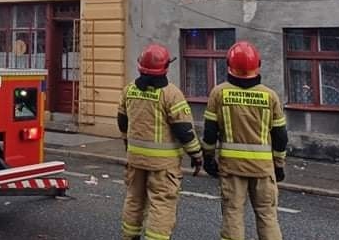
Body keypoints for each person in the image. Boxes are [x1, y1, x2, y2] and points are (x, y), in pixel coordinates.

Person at [202, 41, 288, 240]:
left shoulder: (218, 93)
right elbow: (280, 136)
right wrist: (279, 164)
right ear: (258, 64)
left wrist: (207, 158)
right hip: (263, 167)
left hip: (232, 168)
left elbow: (209, 132)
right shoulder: (270, 96)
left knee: (233, 213)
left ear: (228, 65)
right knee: (267, 215)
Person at [119, 43, 203, 240]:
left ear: (141, 66)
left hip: (135, 159)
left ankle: (129, 236)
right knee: (162, 204)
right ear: (165, 67)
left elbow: (122, 121)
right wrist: (197, 155)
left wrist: (127, 143)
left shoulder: (129, 90)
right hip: (163, 165)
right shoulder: (171, 94)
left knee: (134, 199)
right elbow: (184, 130)